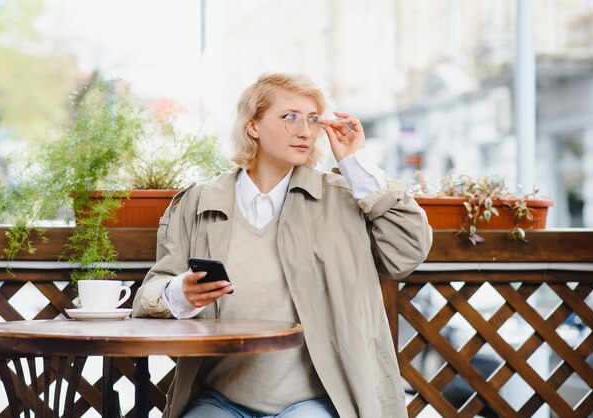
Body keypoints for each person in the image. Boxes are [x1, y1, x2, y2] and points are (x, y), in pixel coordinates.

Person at [133, 72, 432, 418]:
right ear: (253, 127)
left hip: (317, 402)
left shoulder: (341, 198)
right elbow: (149, 295)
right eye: (290, 117)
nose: (305, 131)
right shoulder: (198, 203)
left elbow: (408, 252)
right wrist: (180, 293)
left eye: (313, 120)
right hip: (219, 398)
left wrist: (355, 164)